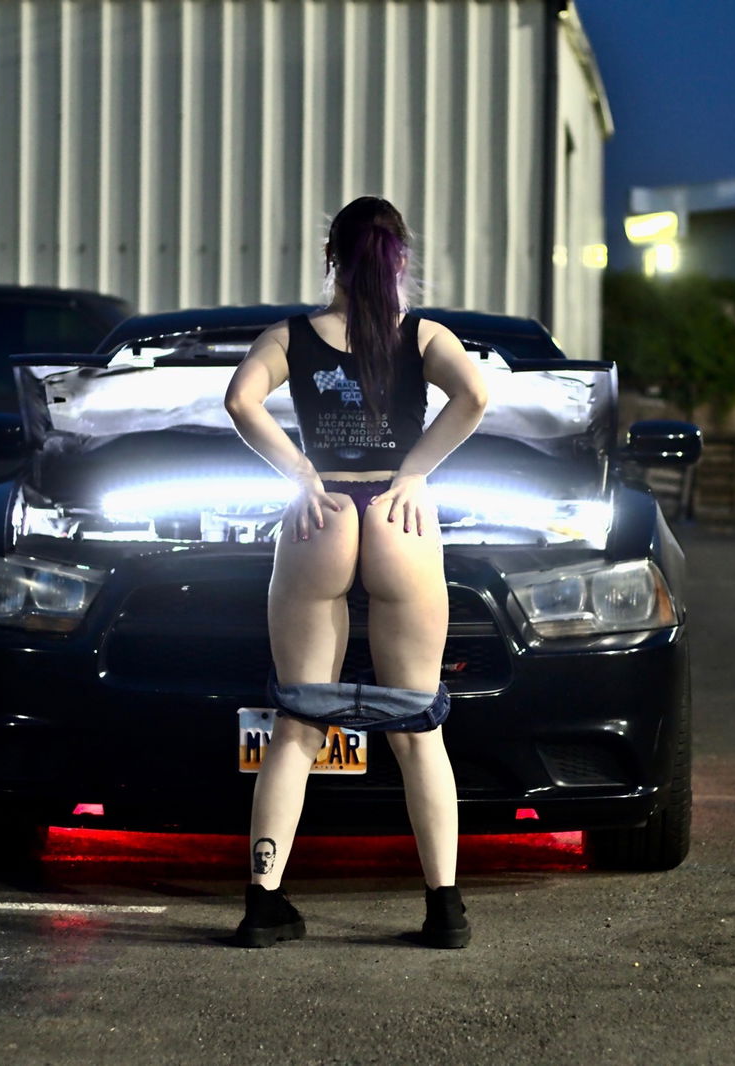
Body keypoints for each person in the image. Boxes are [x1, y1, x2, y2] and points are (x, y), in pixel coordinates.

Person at [223, 196, 488, 948]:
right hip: (400, 518)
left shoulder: (290, 337)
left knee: (298, 723)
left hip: (325, 514)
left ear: (330, 257)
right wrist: (413, 472)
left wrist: (302, 474)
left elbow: (240, 400)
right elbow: (475, 396)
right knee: (417, 730)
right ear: (400, 260)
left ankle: (264, 904)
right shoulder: (423, 335)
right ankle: (444, 909)